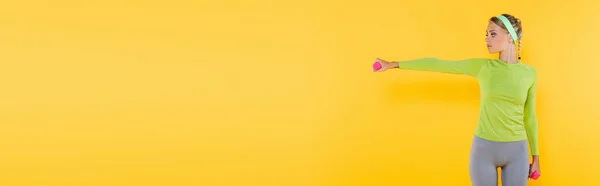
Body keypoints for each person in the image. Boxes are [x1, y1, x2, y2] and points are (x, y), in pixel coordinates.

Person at [373, 14, 540, 186]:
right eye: (486, 34)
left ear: (510, 36)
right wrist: (394, 64)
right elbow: (438, 64)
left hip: (517, 152)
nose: (487, 39)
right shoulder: (483, 67)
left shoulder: (530, 74)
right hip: (484, 151)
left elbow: (530, 117)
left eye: (493, 34)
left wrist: (536, 157)